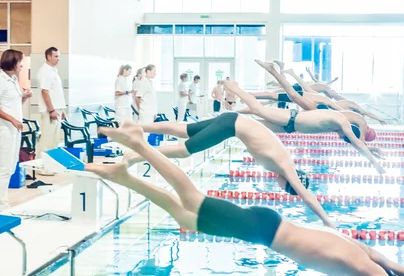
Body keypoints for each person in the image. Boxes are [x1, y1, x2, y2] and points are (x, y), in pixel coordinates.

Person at [85, 122, 404, 276]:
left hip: (266, 226)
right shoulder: (364, 267)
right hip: (262, 230)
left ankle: (126, 176)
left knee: (184, 213)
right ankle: (139, 146)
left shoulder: (369, 256)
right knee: (190, 199)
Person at [124, 111, 335, 229]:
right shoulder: (286, 166)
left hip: (231, 120)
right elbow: (306, 195)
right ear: (291, 182)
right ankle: (135, 154)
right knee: (184, 151)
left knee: (184, 129)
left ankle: (135, 126)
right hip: (230, 126)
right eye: (286, 189)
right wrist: (327, 221)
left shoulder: (284, 161)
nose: (280, 188)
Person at [225, 80, 386, 174]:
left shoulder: (338, 126)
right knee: (258, 109)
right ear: (349, 130)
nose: (342, 138)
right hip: (290, 117)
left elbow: (356, 144)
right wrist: (375, 164)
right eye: (346, 137)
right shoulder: (340, 120)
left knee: (254, 125)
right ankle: (234, 88)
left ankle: (226, 117)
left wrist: (371, 150)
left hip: (289, 128)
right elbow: (357, 142)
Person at [257, 61, 388, 125]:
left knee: (285, 92)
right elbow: (367, 112)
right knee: (285, 91)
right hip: (317, 98)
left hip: (317, 100)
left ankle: (282, 73)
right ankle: (283, 72)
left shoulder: (340, 105)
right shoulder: (349, 105)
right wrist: (380, 119)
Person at [0, 49, 32, 211]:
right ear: (13, 62)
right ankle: (2, 204)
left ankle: (4, 200)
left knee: (12, 165)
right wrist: (12, 120)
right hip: (5, 129)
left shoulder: (13, 80)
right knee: (5, 167)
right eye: (21, 62)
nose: (22, 65)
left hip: (14, 128)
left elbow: (13, 106)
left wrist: (24, 98)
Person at [36, 47, 66, 171]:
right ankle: (42, 167)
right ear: (48, 57)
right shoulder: (45, 71)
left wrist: (60, 109)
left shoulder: (53, 71)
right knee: (46, 142)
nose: (58, 59)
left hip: (56, 110)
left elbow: (56, 93)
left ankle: (50, 166)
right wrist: (52, 110)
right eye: (55, 56)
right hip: (49, 111)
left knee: (54, 141)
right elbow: (45, 92)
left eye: (58, 56)